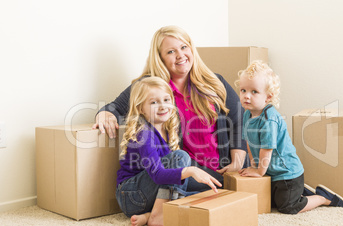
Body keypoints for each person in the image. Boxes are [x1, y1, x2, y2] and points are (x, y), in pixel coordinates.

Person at [92, 25, 247, 191]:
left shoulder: (215, 82)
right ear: (160, 58)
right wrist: (105, 114)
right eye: (171, 52)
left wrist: (236, 162)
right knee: (209, 190)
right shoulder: (151, 87)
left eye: (183, 47)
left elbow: (239, 121)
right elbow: (115, 107)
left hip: (221, 168)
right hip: (183, 169)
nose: (180, 55)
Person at [237, 60, 343, 214]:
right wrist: (254, 166)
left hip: (286, 173)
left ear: (268, 97)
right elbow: (249, 142)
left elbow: (266, 150)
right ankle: (301, 191)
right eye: (243, 90)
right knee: (270, 202)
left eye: (254, 92)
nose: (246, 96)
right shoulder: (248, 114)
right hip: (270, 171)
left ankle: (323, 198)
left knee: (288, 207)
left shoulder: (269, 119)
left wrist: (259, 172)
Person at [116, 76, 222, 226]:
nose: (163, 106)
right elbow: (158, 175)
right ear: (140, 108)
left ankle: (149, 215)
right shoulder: (144, 134)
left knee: (207, 190)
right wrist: (191, 170)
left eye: (166, 100)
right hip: (131, 195)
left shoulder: (167, 128)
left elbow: (170, 180)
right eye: (154, 102)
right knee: (181, 157)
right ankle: (158, 215)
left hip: (149, 195)